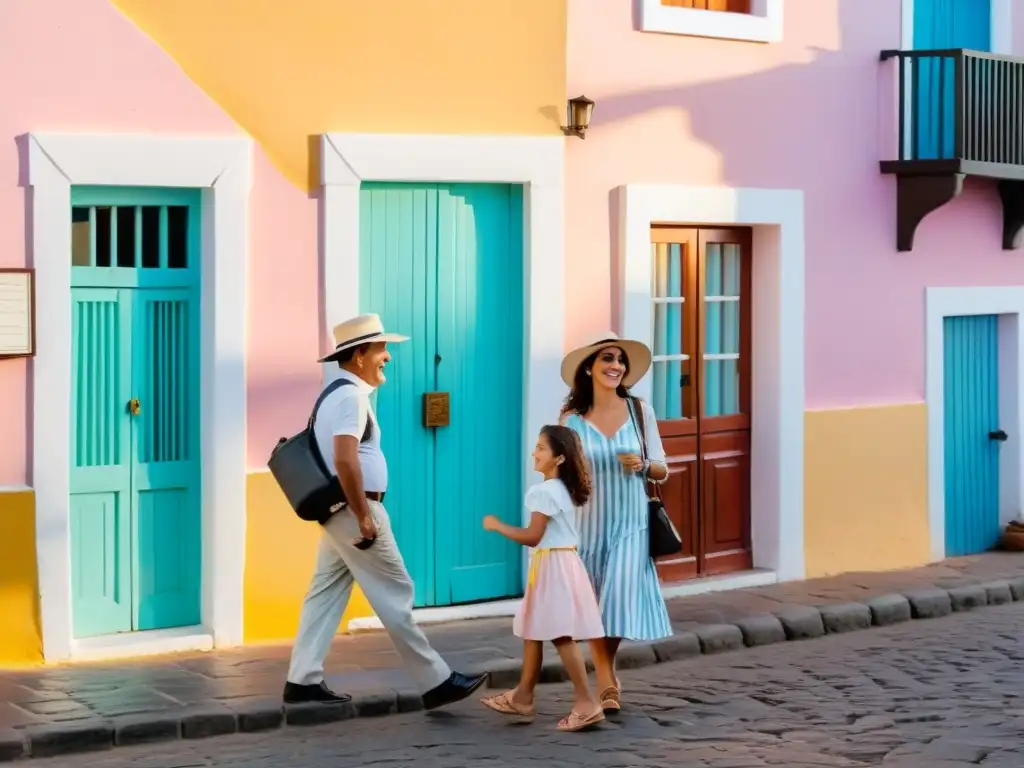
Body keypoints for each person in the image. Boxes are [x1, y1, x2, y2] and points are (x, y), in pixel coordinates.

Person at [284, 313, 488, 709]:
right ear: (359, 355)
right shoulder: (350, 398)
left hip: (338, 511)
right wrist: (364, 514)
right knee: (396, 593)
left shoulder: (334, 394)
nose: (387, 357)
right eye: (381, 349)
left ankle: (302, 681)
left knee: (324, 593)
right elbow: (345, 459)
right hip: (355, 511)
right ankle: (436, 681)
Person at [558, 332, 673, 713]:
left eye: (621, 360)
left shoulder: (640, 412)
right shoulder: (571, 420)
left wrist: (643, 465)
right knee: (594, 604)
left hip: (630, 523)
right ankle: (608, 674)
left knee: (618, 599)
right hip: (585, 525)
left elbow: (662, 468)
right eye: (608, 358)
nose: (616, 366)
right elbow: (558, 474)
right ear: (589, 368)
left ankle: (605, 676)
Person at [479, 425, 606, 732]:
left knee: (560, 634)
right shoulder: (562, 489)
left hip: (551, 564)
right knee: (534, 629)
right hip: (563, 562)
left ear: (559, 458)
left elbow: (533, 536)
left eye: (541, 448)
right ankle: (522, 697)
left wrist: (498, 526)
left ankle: (587, 702)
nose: (534, 453)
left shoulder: (543, 492)